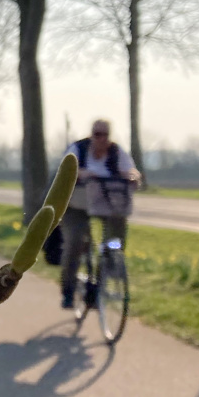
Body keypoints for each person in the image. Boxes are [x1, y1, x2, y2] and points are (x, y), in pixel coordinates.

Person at [59, 119, 140, 309]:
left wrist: (133, 176)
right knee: (75, 243)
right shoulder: (78, 149)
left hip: (105, 204)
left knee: (116, 235)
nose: (101, 139)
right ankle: (68, 291)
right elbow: (65, 170)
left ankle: (108, 268)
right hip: (76, 205)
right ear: (91, 135)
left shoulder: (116, 152)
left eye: (105, 135)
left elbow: (131, 169)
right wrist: (80, 173)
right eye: (97, 134)